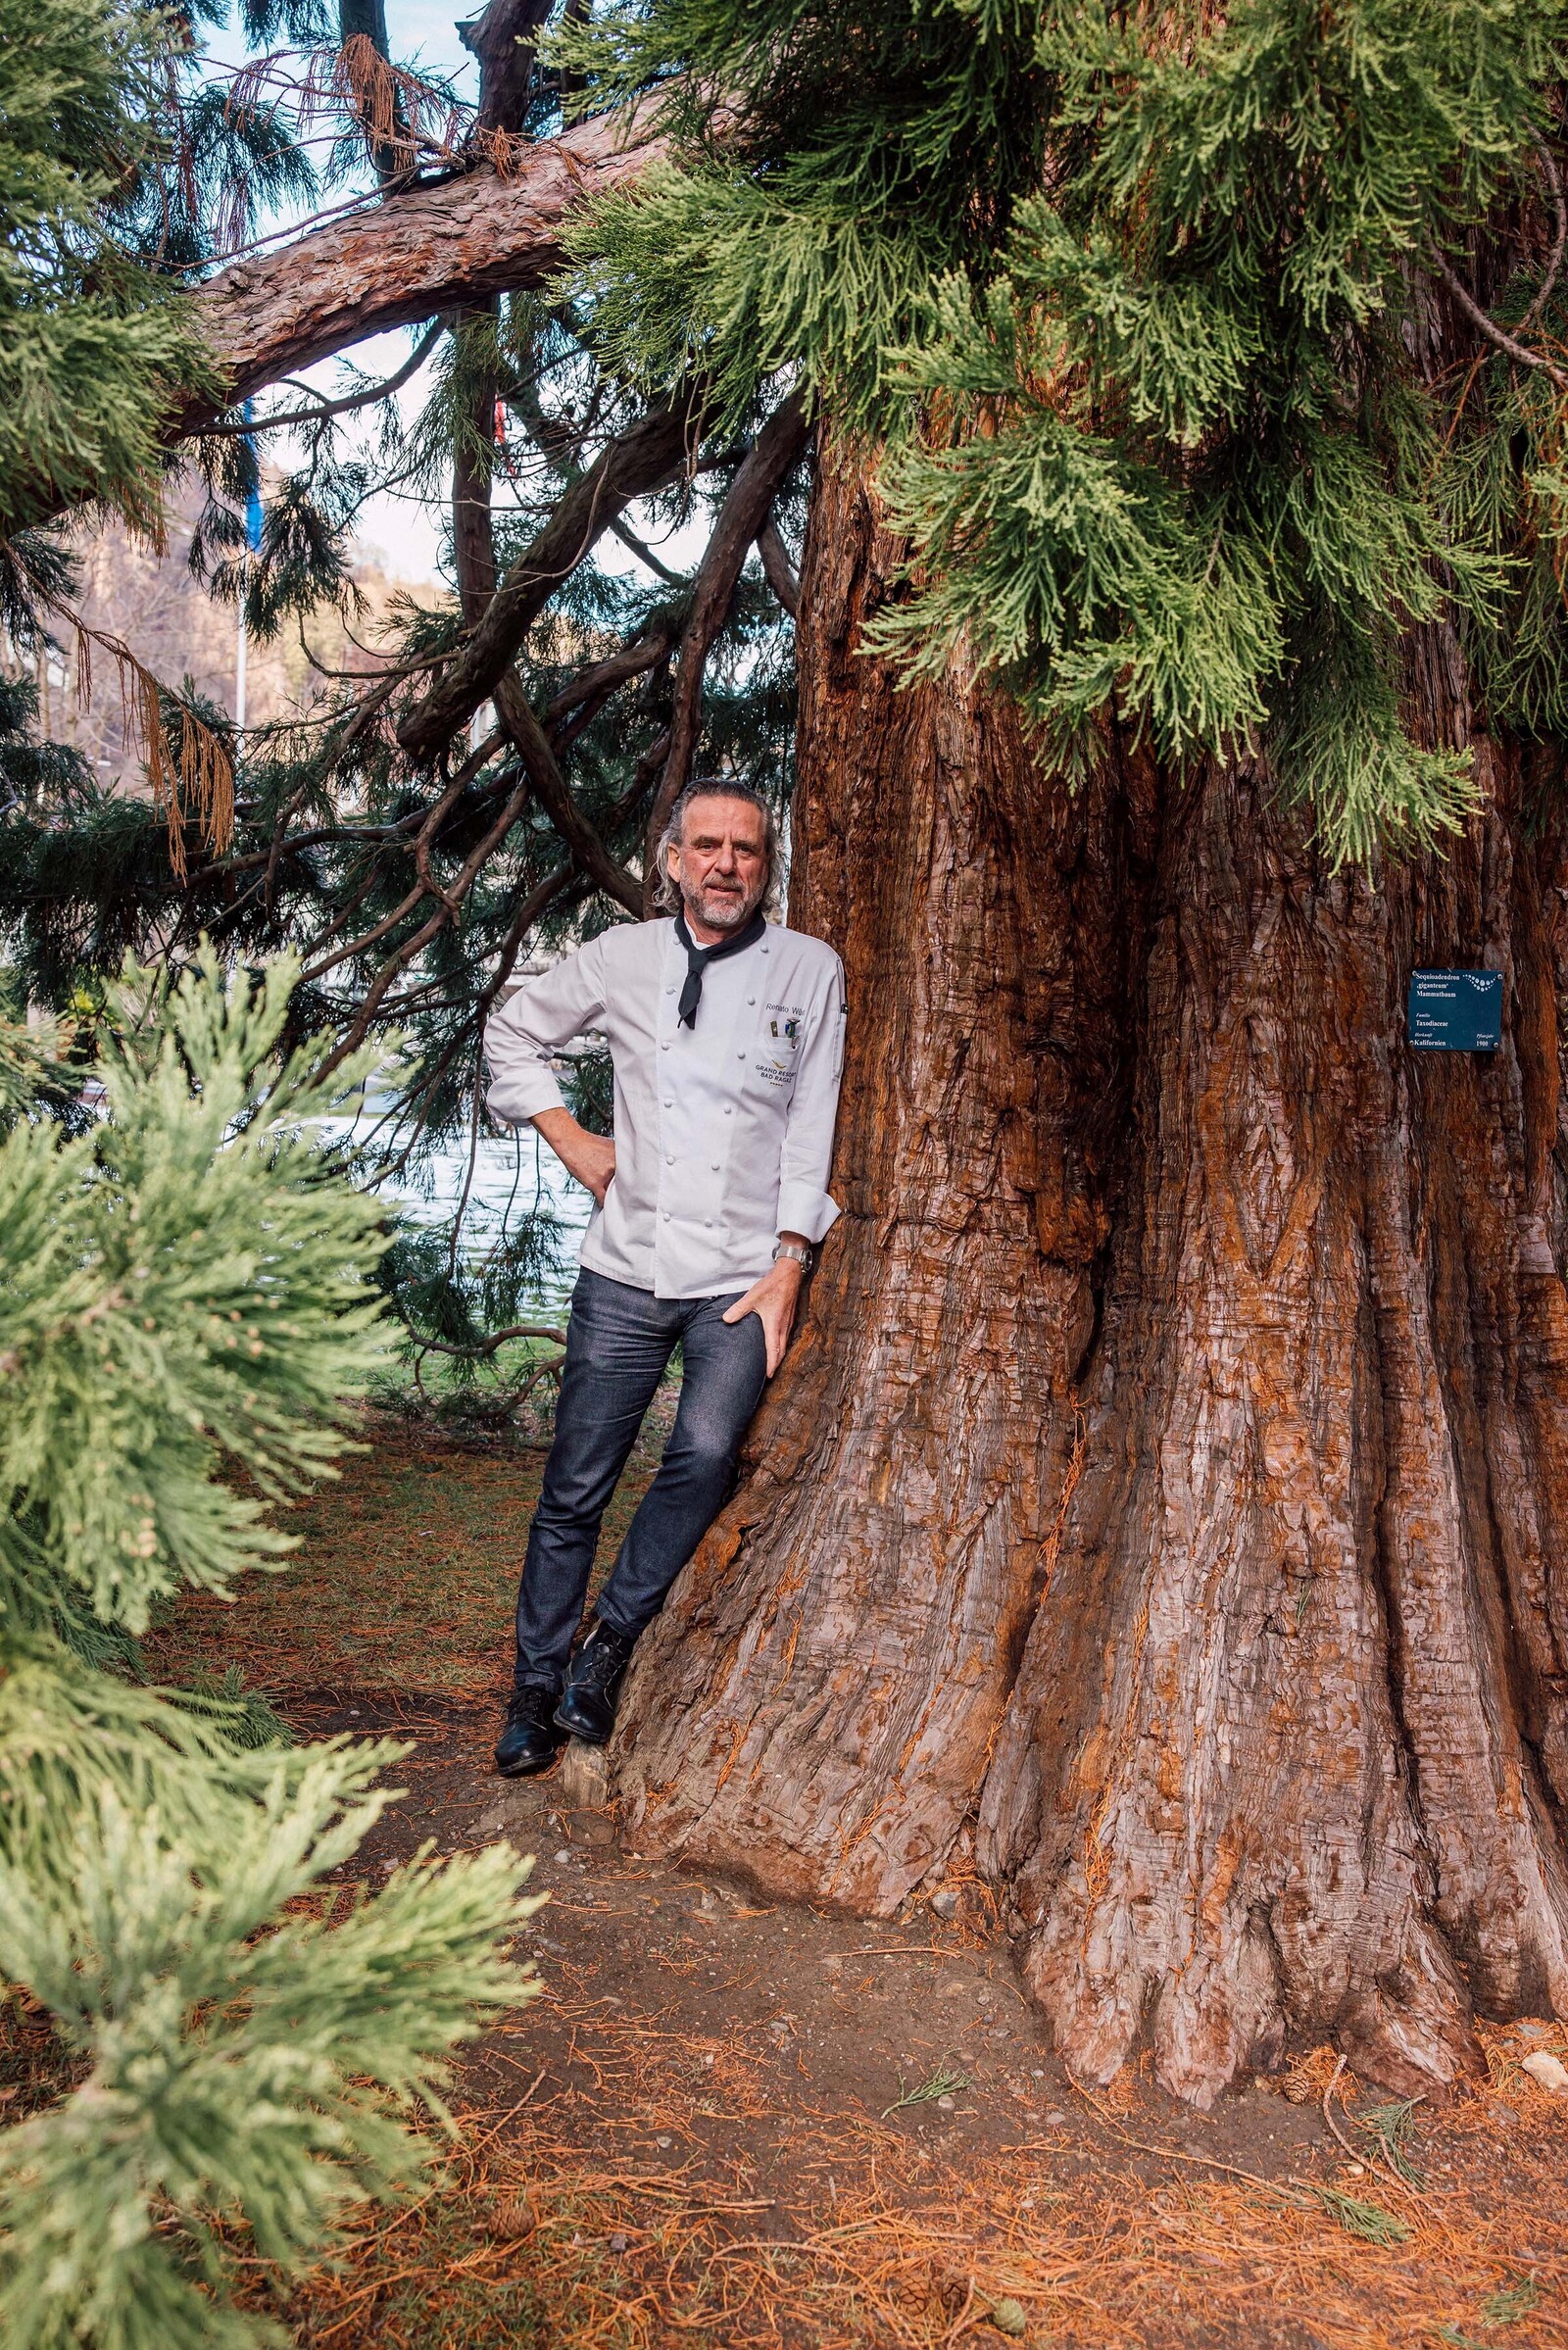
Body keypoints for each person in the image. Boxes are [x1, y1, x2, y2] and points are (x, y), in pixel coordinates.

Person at [483, 778, 847, 1775]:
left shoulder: (808, 970)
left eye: (747, 848)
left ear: (764, 865)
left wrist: (789, 1261)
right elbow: (512, 1031)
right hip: (624, 1269)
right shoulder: (623, 957)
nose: (726, 863)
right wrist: (569, 1136)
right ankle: (531, 1689)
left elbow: (812, 1120)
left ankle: (607, 1644)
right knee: (573, 1489)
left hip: (739, 1275)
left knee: (703, 1452)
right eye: (708, 846)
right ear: (673, 859)